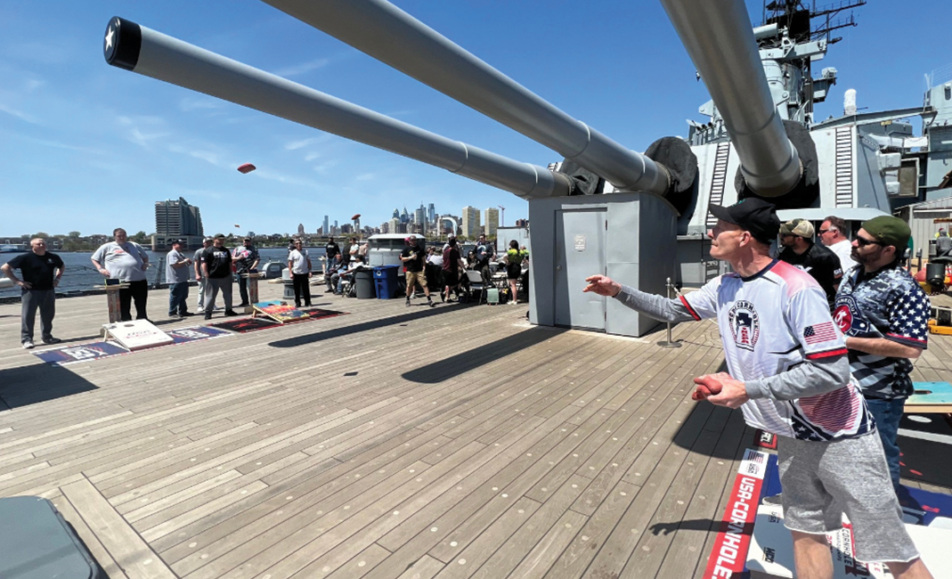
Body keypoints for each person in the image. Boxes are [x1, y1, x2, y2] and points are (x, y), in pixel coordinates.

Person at [584, 199, 931, 579]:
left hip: (839, 432)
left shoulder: (797, 287)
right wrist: (619, 291)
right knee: (805, 529)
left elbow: (831, 372)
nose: (711, 233)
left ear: (745, 236)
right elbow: (672, 310)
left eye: (720, 227)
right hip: (791, 432)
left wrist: (747, 389)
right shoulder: (724, 284)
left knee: (889, 547)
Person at [834, 216, 931, 496]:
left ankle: (884, 514)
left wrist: (846, 341)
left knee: (876, 455)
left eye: (863, 241)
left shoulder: (904, 288)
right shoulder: (854, 273)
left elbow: (910, 347)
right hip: (843, 380)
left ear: (888, 250)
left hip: (879, 390)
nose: (854, 242)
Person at [2, 238, 64, 349]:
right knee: (28, 316)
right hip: (30, 291)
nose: (41, 245)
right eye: (38, 244)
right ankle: (27, 339)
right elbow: (5, 267)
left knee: (48, 315)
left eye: (43, 243)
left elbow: (61, 266)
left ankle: (47, 337)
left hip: (48, 290)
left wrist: (57, 279)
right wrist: (18, 281)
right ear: (32, 246)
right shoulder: (25, 258)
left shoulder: (53, 257)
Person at [778, 218, 842, 309]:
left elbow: (837, 288)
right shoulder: (781, 255)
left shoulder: (825, 257)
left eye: (784, 235)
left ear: (799, 239)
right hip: (792, 306)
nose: (780, 237)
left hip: (819, 308)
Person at [91, 228, 150, 321]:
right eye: (119, 236)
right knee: (123, 303)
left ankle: (142, 319)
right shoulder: (107, 247)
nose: (122, 237)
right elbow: (94, 259)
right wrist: (101, 269)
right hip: (117, 280)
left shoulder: (134, 245)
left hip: (138, 279)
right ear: (114, 236)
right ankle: (126, 320)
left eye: (124, 235)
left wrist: (145, 264)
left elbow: (145, 256)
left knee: (141, 301)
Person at [202, 235, 238, 320]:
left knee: (228, 294)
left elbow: (230, 262)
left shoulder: (226, 250)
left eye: (223, 240)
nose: (221, 241)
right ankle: (208, 312)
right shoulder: (208, 251)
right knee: (210, 295)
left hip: (226, 276)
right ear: (215, 240)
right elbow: (204, 263)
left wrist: (231, 273)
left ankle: (229, 310)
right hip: (213, 276)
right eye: (219, 239)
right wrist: (206, 273)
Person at [400, 236, 434, 307]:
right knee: (409, 285)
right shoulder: (406, 249)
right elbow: (402, 258)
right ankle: (408, 299)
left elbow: (423, 258)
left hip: (419, 270)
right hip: (410, 270)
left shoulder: (420, 248)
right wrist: (410, 257)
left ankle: (429, 300)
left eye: (415, 240)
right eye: (412, 240)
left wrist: (424, 266)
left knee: (424, 284)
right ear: (409, 241)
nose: (413, 241)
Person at [165, 239, 192, 318]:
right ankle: (172, 312)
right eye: (179, 244)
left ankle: (183, 311)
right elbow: (175, 265)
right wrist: (185, 261)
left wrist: (187, 262)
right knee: (175, 296)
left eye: (182, 244)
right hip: (175, 279)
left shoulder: (180, 253)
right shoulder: (172, 254)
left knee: (183, 296)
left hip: (182, 279)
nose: (181, 246)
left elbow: (182, 264)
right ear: (174, 245)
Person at [232, 237, 260, 307]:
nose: (246, 242)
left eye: (248, 241)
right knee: (242, 287)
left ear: (250, 242)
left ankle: (254, 302)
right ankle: (245, 302)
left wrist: (252, 268)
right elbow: (232, 258)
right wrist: (238, 258)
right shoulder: (237, 248)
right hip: (239, 270)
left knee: (251, 287)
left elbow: (257, 259)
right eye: (245, 241)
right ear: (243, 241)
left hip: (249, 271)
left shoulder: (254, 249)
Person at [288, 239, 312, 308]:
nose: (299, 245)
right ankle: (298, 302)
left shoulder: (305, 252)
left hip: (304, 272)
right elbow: (290, 263)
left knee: (306, 289)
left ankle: (308, 302)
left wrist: (310, 271)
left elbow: (309, 262)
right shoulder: (292, 253)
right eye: (297, 243)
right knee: (297, 290)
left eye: (300, 243)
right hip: (296, 273)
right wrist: (290, 273)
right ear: (295, 245)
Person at [504, 240, 529, 305]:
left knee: (513, 284)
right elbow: (525, 259)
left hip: (512, 267)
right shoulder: (521, 252)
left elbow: (504, 256)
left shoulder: (511, 251)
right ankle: (514, 299)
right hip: (518, 267)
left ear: (511, 246)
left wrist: (507, 261)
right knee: (514, 283)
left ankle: (514, 299)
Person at [441, 236, 465, 302]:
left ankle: (447, 297)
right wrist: (464, 267)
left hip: (444, 269)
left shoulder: (445, 251)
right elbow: (459, 261)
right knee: (457, 282)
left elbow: (443, 260)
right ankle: (447, 292)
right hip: (451, 270)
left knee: (447, 284)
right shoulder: (455, 252)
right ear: (455, 244)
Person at [193, 237, 212, 312]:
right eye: (206, 242)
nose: (208, 243)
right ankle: (200, 305)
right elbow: (196, 263)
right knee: (201, 290)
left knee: (211, 290)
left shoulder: (213, 251)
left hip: (211, 274)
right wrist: (197, 274)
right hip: (202, 274)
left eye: (209, 242)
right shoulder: (199, 251)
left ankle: (211, 304)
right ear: (203, 243)